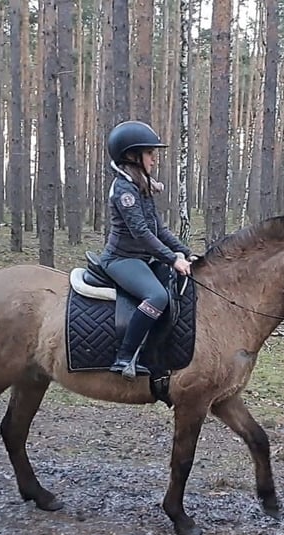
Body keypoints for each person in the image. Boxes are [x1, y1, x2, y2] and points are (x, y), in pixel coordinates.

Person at [101, 120, 193, 380]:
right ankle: (124, 357)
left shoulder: (141, 186)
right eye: (150, 153)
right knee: (157, 296)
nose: (154, 159)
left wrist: (185, 252)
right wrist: (172, 259)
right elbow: (141, 233)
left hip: (141, 258)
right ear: (132, 156)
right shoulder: (124, 190)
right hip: (121, 259)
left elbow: (159, 229)